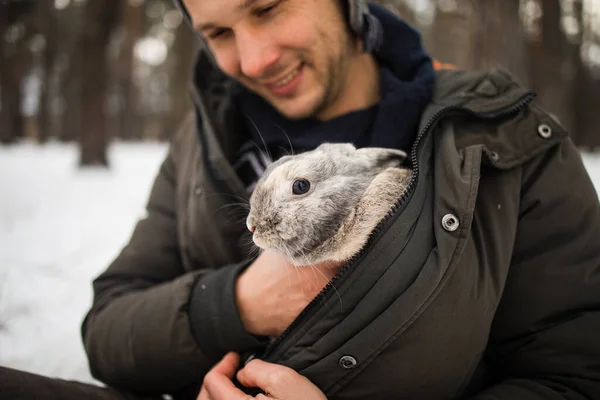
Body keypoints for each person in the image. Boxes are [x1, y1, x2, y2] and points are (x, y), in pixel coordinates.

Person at [1, 1, 599, 399]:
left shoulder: (503, 139)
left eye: (268, 6)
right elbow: (107, 331)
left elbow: (575, 378)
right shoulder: (203, 141)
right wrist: (235, 303)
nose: (255, 59)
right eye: (218, 33)